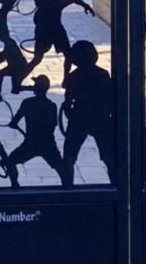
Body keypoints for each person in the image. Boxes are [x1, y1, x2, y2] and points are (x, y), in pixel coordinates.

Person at [60, 41, 115, 186]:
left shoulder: (74, 76)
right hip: (101, 118)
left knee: (69, 158)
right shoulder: (102, 73)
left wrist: (67, 68)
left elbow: (66, 93)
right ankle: (116, 187)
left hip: (79, 118)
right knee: (110, 158)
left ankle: (67, 189)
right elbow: (110, 95)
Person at [3, 75, 66, 188]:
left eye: (35, 85)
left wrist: (13, 124)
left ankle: (15, 186)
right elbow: (53, 125)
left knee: (10, 161)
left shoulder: (27, 103)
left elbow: (15, 121)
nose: (33, 87)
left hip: (30, 143)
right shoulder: (52, 106)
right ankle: (67, 188)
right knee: (62, 169)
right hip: (48, 144)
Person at [24, 0, 94, 76]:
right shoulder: (55, 4)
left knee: (38, 59)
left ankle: (23, 74)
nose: (37, 4)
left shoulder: (40, 13)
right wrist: (85, 5)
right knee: (66, 56)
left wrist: (85, 5)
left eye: (37, 2)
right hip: (55, 33)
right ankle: (66, 76)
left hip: (54, 34)